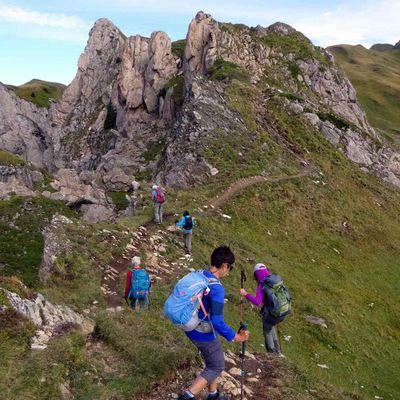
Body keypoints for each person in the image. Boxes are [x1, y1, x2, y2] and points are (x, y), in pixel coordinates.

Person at [178, 246, 250, 400]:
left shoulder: (200, 274)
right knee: (217, 366)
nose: (228, 272)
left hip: (189, 325)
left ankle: (213, 394)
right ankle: (187, 396)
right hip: (203, 333)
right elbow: (217, 321)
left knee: (212, 362)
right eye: (229, 268)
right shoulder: (217, 288)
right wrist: (235, 337)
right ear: (224, 265)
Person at [240, 263, 288, 356]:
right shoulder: (274, 280)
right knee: (271, 325)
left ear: (257, 274)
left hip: (273, 312)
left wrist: (245, 294)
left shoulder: (262, 283)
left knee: (267, 329)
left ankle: (272, 352)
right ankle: (278, 350)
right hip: (283, 311)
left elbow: (257, 302)